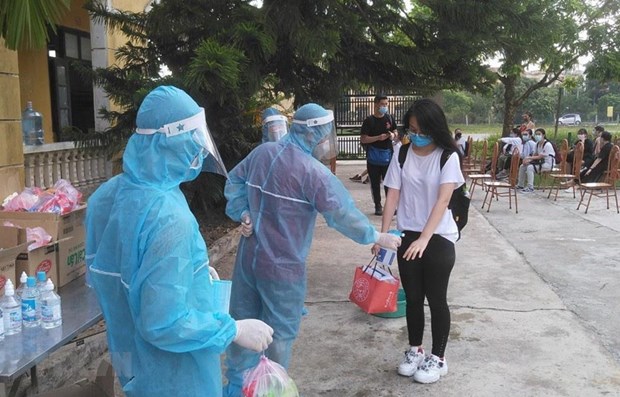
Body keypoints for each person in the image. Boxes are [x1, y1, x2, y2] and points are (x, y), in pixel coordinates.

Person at [84, 86, 274, 397]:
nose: (199, 149)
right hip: (176, 375)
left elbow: (110, 274)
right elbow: (163, 322)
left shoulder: (108, 196)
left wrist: (192, 272)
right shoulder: (168, 217)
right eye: (191, 138)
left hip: (132, 359)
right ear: (165, 142)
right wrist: (234, 329)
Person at [223, 103, 402, 396]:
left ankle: (237, 387)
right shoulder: (312, 173)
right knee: (279, 334)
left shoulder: (263, 153)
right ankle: (270, 387)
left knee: (243, 324)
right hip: (282, 268)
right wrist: (376, 236)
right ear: (317, 134)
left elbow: (234, 181)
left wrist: (243, 212)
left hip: (248, 260)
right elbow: (342, 214)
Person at [377, 98, 464, 385]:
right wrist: (384, 234)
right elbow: (393, 194)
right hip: (407, 233)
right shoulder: (402, 153)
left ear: (434, 128)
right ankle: (415, 349)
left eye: (420, 129)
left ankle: (438, 358)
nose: (415, 134)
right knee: (413, 298)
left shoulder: (447, 156)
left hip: (438, 235)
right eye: (411, 128)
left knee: (436, 299)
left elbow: (444, 199)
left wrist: (425, 238)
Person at [361, 94, 398, 215]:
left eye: (386, 104)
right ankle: (378, 205)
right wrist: (378, 138)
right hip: (373, 156)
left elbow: (395, 131)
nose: (385, 107)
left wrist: (393, 135)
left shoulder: (389, 118)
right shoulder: (369, 121)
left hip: (388, 155)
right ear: (376, 104)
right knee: (375, 183)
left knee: (389, 182)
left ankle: (391, 205)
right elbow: (364, 139)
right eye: (383, 104)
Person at [517, 128, 555, 193]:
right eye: (536, 134)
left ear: (543, 135)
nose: (537, 136)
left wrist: (528, 158)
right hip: (540, 163)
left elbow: (540, 156)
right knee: (522, 166)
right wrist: (528, 161)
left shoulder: (547, 145)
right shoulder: (537, 144)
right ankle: (520, 185)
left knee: (530, 168)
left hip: (547, 164)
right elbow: (535, 154)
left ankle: (530, 187)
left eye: (539, 134)